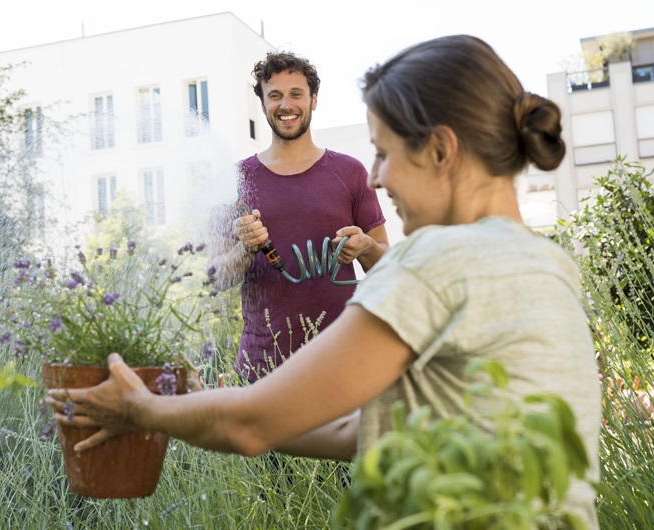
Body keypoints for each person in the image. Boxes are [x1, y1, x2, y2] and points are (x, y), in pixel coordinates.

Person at [48, 35, 602, 527]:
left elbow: (251, 427)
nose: (379, 176)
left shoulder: (434, 260)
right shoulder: (547, 263)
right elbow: (354, 433)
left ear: (440, 149)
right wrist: (205, 397)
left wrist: (140, 410)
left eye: (385, 153)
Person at [207, 50, 389, 383]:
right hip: (261, 368)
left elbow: (389, 269)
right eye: (274, 95)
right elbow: (214, 277)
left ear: (314, 100)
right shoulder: (233, 182)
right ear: (262, 104)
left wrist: (364, 247)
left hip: (342, 363)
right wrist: (245, 248)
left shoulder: (350, 172)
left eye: (296, 94)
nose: (285, 105)